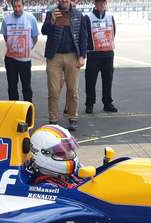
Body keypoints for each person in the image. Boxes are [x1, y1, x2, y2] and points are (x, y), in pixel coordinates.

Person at [41, 0, 88, 130]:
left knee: (73, 90)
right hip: (54, 56)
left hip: (73, 55)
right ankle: (53, 119)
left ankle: (73, 117)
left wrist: (82, 56)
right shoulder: (52, 13)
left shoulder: (79, 15)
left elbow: (84, 36)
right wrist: (52, 21)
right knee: (53, 90)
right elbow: (44, 31)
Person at [84, 0, 118, 114]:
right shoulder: (88, 17)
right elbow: (85, 35)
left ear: (106, 3)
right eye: (99, 3)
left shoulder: (110, 16)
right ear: (95, 4)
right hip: (93, 54)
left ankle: (107, 103)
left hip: (108, 54)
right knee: (90, 81)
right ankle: (89, 104)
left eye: (103, 2)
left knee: (108, 80)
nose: (101, 5)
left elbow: (114, 32)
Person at [1, 0, 38, 102]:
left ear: (23, 6)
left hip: (25, 60)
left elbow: (35, 37)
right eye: (15, 6)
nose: (17, 9)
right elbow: (5, 37)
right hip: (10, 59)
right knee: (12, 87)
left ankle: (28, 111)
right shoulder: (6, 19)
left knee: (26, 87)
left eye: (19, 6)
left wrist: (27, 49)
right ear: (12, 7)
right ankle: (14, 111)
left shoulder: (31, 18)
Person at [27, 124, 83, 188]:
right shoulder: (47, 186)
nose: (68, 155)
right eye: (61, 153)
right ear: (42, 154)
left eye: (69, 150)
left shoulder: (75, 171)